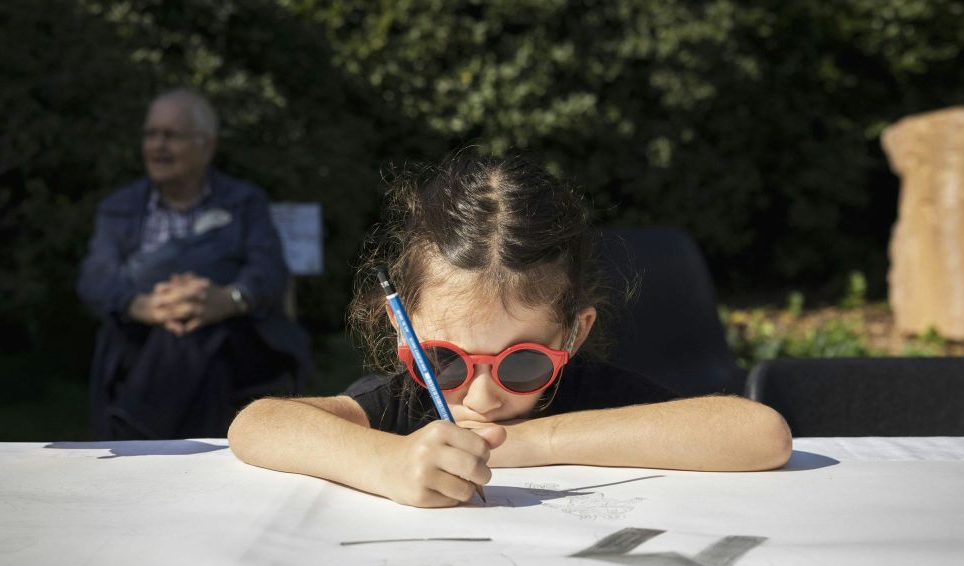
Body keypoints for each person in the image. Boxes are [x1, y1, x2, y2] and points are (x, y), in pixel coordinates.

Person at [228, 154, 791, 507]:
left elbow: (761, 433)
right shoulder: (399, 409)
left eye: (522, 363)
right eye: (444, 360)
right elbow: (256, 425)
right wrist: (384, 461)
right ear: (404, 331)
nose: (481, 399)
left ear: (573, 335)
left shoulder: (595, 397)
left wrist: (527, 443)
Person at [78, 87, 311, 440]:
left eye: (171, 136)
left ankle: (134, 430)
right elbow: (95, 279)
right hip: (144, 342)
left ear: (207, 146)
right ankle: (196, 450)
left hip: (241, 337)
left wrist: (227, 300)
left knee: (201, 328)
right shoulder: (119, 208)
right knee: (197, 338)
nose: (157, 146)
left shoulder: (244, 202)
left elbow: (270, 270)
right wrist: (145, 306)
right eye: (151, 134)